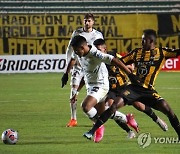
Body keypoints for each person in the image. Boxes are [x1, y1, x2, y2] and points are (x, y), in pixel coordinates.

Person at [83, 29, 180, 140]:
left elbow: (177, 52)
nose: (141, 42)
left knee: (168, 111)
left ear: (151, 41)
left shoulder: (162, 52)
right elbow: (121, 62)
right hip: (133, 88)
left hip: (149, 90)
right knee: (113, 107)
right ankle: (92, 131)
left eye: (144, 40)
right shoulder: (136, 52)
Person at [70, 35, 140, 142]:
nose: (75, 53)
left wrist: (129, 73)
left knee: (85, 106)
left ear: (82, 48)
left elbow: (115, 60)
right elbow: (86, 74)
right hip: (91, 86)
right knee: (105, 113)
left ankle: (99, 126)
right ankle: (127, 119)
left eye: (76, 50)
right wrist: (76, 92)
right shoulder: (81, 54)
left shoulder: (95, 54)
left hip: (101, 86)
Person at [93, 38, 168, 133]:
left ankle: (157, 119)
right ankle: (129, 129)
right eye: (95, 50)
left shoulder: (113, 56)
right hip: (111, 89)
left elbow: (126, 63)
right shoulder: (95, 60)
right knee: (110, 109)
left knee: (139, 106)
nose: (97, 53)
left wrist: (130, 69)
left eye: (99, 50)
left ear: (105, 49)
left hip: (124, 85)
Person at [61, 13, 104, 127]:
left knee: (91, 94)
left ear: (93, 22)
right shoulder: (77, 33)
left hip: (91, 68)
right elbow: (69, 49)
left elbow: (101, 50)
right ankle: (73, 119)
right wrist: (68, 66)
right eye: (85, 20)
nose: (87, 23)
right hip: (78, 67)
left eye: (89, 20)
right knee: (73, 91)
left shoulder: (98, 34)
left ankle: (94, 118)